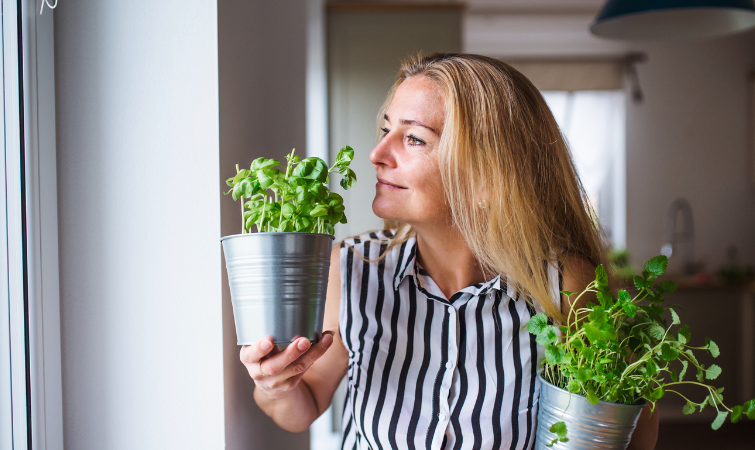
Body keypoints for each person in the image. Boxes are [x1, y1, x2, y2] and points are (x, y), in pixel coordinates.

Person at [239, 53, 658, 450]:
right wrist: (276, 384)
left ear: (488, 176)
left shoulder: (567, 285)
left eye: (415, 139)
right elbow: (303, 407)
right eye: (387, 130)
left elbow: (626, 436)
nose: (377, 154)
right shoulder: (350, 269)